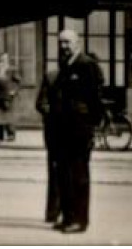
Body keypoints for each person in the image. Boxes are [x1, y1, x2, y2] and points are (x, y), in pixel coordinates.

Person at [38, 29, 103, 235]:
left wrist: (92, 127)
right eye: (61, 42)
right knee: (64, 174)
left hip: (79, 129)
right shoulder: (66, 65)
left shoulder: (86, 65)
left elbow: (94, 99)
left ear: (78, 43)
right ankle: (68, 217)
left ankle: (79, 220)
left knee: (78, 175)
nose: (64, 46)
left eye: (67, 42)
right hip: (62, 129)